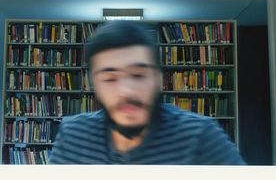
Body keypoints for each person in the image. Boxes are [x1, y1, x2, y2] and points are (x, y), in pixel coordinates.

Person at [49, 21, 245, 164]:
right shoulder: (73, 135)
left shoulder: (200, 136)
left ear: (158, 78)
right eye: (110, 79)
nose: (126, 91)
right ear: (95, 86)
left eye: (138, 75)